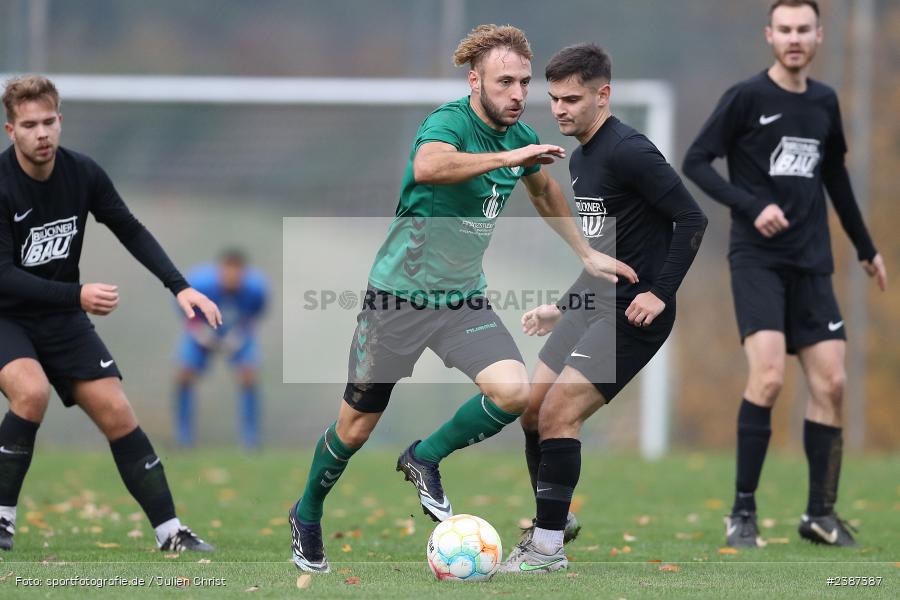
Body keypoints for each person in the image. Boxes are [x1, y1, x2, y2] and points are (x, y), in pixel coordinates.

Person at [288, 24, 636, 574]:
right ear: (475, 81)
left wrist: (585, 255)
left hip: (462, 303)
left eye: (524, 82)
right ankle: (305, 512)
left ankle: (424, 457)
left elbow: (544, 190)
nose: (518, 94)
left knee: (514, 392)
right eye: (505, 82)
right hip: (396, 301)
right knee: (354, 429)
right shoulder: (450, 122)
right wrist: (508, 157)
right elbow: (430, 165)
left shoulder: (516, 134)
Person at [682, 0, 886, 548]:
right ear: (769, 35)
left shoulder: (824, 101)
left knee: (833, 384)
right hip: (758, 261)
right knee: (769, 378)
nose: (794, 38)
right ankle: (741, 513)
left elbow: (835, 176)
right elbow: (696, 160)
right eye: (785, 29)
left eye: (804, 30)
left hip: (812, 262)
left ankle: (820, 514)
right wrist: (750, 205)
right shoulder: (747, 97)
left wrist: (867, 249)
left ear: (818, 36)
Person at [497, 44, 707, 573]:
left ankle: (546, 550)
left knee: (559, 413)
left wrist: (660, 292)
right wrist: (560, 307)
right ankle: (556, 519)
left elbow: (692, 219)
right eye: (555, 99)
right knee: (530, 406)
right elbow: (604, 248)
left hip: (634, 313)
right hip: (593, 302)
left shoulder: (629, 151)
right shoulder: (584, 156)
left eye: (573, 98)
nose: (561, 109)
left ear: (603, 95)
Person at [0, 75, 221, 552]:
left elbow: (130, 228)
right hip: (7, 316)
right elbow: (3, 276)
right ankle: (1, 518)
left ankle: (171, 534)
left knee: (118, 412)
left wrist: (180, 288)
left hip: (61, 317)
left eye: (48, 122)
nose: (41, 134)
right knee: (31, 394)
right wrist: (76, 295)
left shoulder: (83, 173)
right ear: (10, 130)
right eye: (29, 125)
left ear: (61, 121)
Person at [174, 249, 268, 449]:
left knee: (249, 375)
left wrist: (238, 337)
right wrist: (201, 333)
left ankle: (250, 441)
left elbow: (254, 316)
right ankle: (183, 438)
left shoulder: (256, 288)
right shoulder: (199, 284)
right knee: (185, 374)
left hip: (236, 332)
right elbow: (183, 308)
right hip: (201, 331)